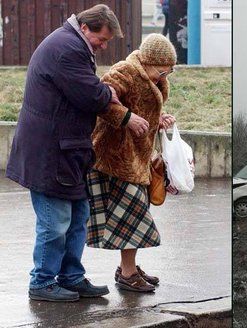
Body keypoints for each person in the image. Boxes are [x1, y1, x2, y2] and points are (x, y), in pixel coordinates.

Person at [6, 4, 149, 302]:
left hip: (66, 149)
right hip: (51, 151)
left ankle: (71, 277)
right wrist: (108, 97)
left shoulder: (69, 43)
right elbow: (89, 94)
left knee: (77, 216)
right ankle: (42, 282)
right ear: (86, 27)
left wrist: (100, 89)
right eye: (103, 39)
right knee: (54, 221)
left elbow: (87, 88)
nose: (104, 45)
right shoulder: (67, 48)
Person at [86, 33, 178, 293]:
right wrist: (128, 118)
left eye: (168, 73)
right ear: (148, 61)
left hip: (136, 159)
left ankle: (128, 269)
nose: (163, 77)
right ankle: (127, 274)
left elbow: (145, 113)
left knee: (132, 217)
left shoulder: (152, 78)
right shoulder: (124, 72)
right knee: (133, 218)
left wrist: (159, 119)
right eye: (162, 71)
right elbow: (101, 102)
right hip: (115, 157)